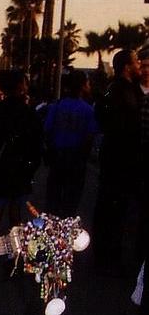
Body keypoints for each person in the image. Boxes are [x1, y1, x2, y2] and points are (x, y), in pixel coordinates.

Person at [92, 48, 143, 272]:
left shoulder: (125, 90)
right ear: (126, 67)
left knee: (115, 209)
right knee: (112, 209)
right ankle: (107, 258)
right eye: (136, 62)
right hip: (118, 161)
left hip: (120, 160)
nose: (140, 65)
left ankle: (108, 256)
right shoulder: (118, 91)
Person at [0, 69, 43, 237]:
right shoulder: (29, 113)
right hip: (20, 171)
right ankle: (13, 256)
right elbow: (36, 146)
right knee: (15, 216)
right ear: (20, 86)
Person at [44, 70, 98, 218]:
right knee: (71, 202)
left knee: (53, 200)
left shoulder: (56, 106)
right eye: (87, 83)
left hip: (58, 157)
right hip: (76, 160)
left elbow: (48, 130)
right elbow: (90, 136)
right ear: (82, 86)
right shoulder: (88, 110)